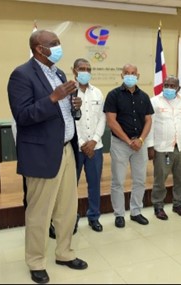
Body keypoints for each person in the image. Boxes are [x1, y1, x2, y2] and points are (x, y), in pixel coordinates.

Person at [7, 29, 87, 284]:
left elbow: (64, 112)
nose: (58, 47)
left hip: (66, 148)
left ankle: (64, 253)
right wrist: (54, 97)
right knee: (39, 213)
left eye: (58, 42)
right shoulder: (21, 75)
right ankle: (36, 261)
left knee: (67, 209)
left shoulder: (60, 73)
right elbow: (23, 115)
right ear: (39, 49)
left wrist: (74, 107)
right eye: (54, 44)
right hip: (41, 153)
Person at [103, 63, 153, 228]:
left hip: (140, 144)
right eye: (127, 73)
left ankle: (136, 211)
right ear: (122, 75)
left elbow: (148, 120)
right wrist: (128, 141)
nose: (130, 75)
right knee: (118, 181)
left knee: (139, 180)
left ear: (138, 76)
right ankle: (119, 214)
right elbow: (111, 121)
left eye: (133, 73)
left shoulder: (144, 96)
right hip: (120, 144)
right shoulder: (113, 95)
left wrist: (140, 140)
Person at [147, 76, 181, 220]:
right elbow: (150, 125)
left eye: (172, 86)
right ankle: (158, 206)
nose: (168, 88)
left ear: (178, 88)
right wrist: (150, 146)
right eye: (166, 85)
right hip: (162, 148)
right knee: (160, 180)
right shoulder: (155, 101)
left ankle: (178, 204)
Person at [72, 58, 105, 232]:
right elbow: (70, 121)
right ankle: (72, 218)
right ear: (74, 71)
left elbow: (102, 118)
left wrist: (94, 141)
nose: (85, 71)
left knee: (94, 184)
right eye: (81, 68)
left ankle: (94, 216)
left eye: (88, 69)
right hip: (75, 148)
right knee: (71, 187)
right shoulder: (69, 92)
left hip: (95, 147)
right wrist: (82, 143)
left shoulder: (97, 93)